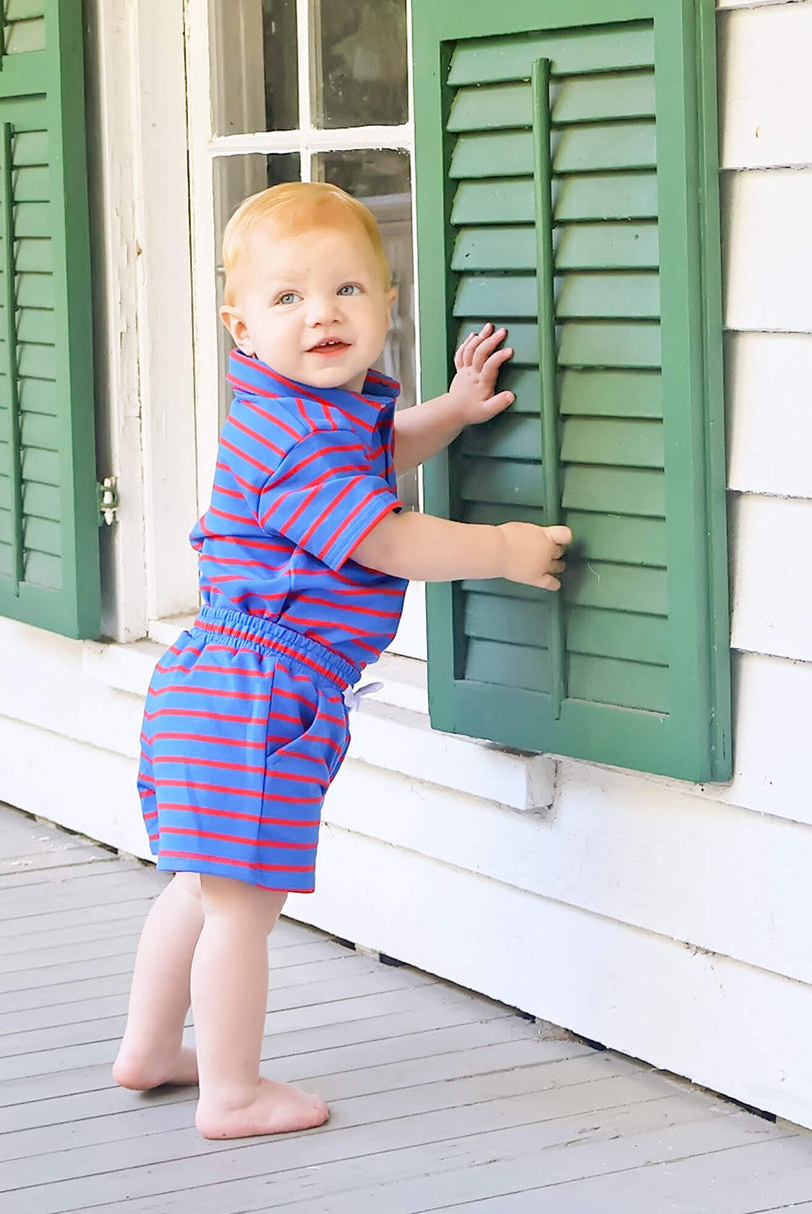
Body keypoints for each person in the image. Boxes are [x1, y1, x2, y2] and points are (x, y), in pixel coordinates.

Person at [112, 181, 571, 1139]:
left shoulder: (313, 408)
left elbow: (378, 447)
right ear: (241, 326)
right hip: (259, 690)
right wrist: (502, 551)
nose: (321, 312)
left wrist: (450, 411)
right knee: (246, 905)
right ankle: (232, 1094)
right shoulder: (289, 442)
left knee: (203, 882)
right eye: (287, 298)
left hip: (218, 682)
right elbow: (386, 539)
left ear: (387, 303)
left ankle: (152, 1049)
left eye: (347, 290)